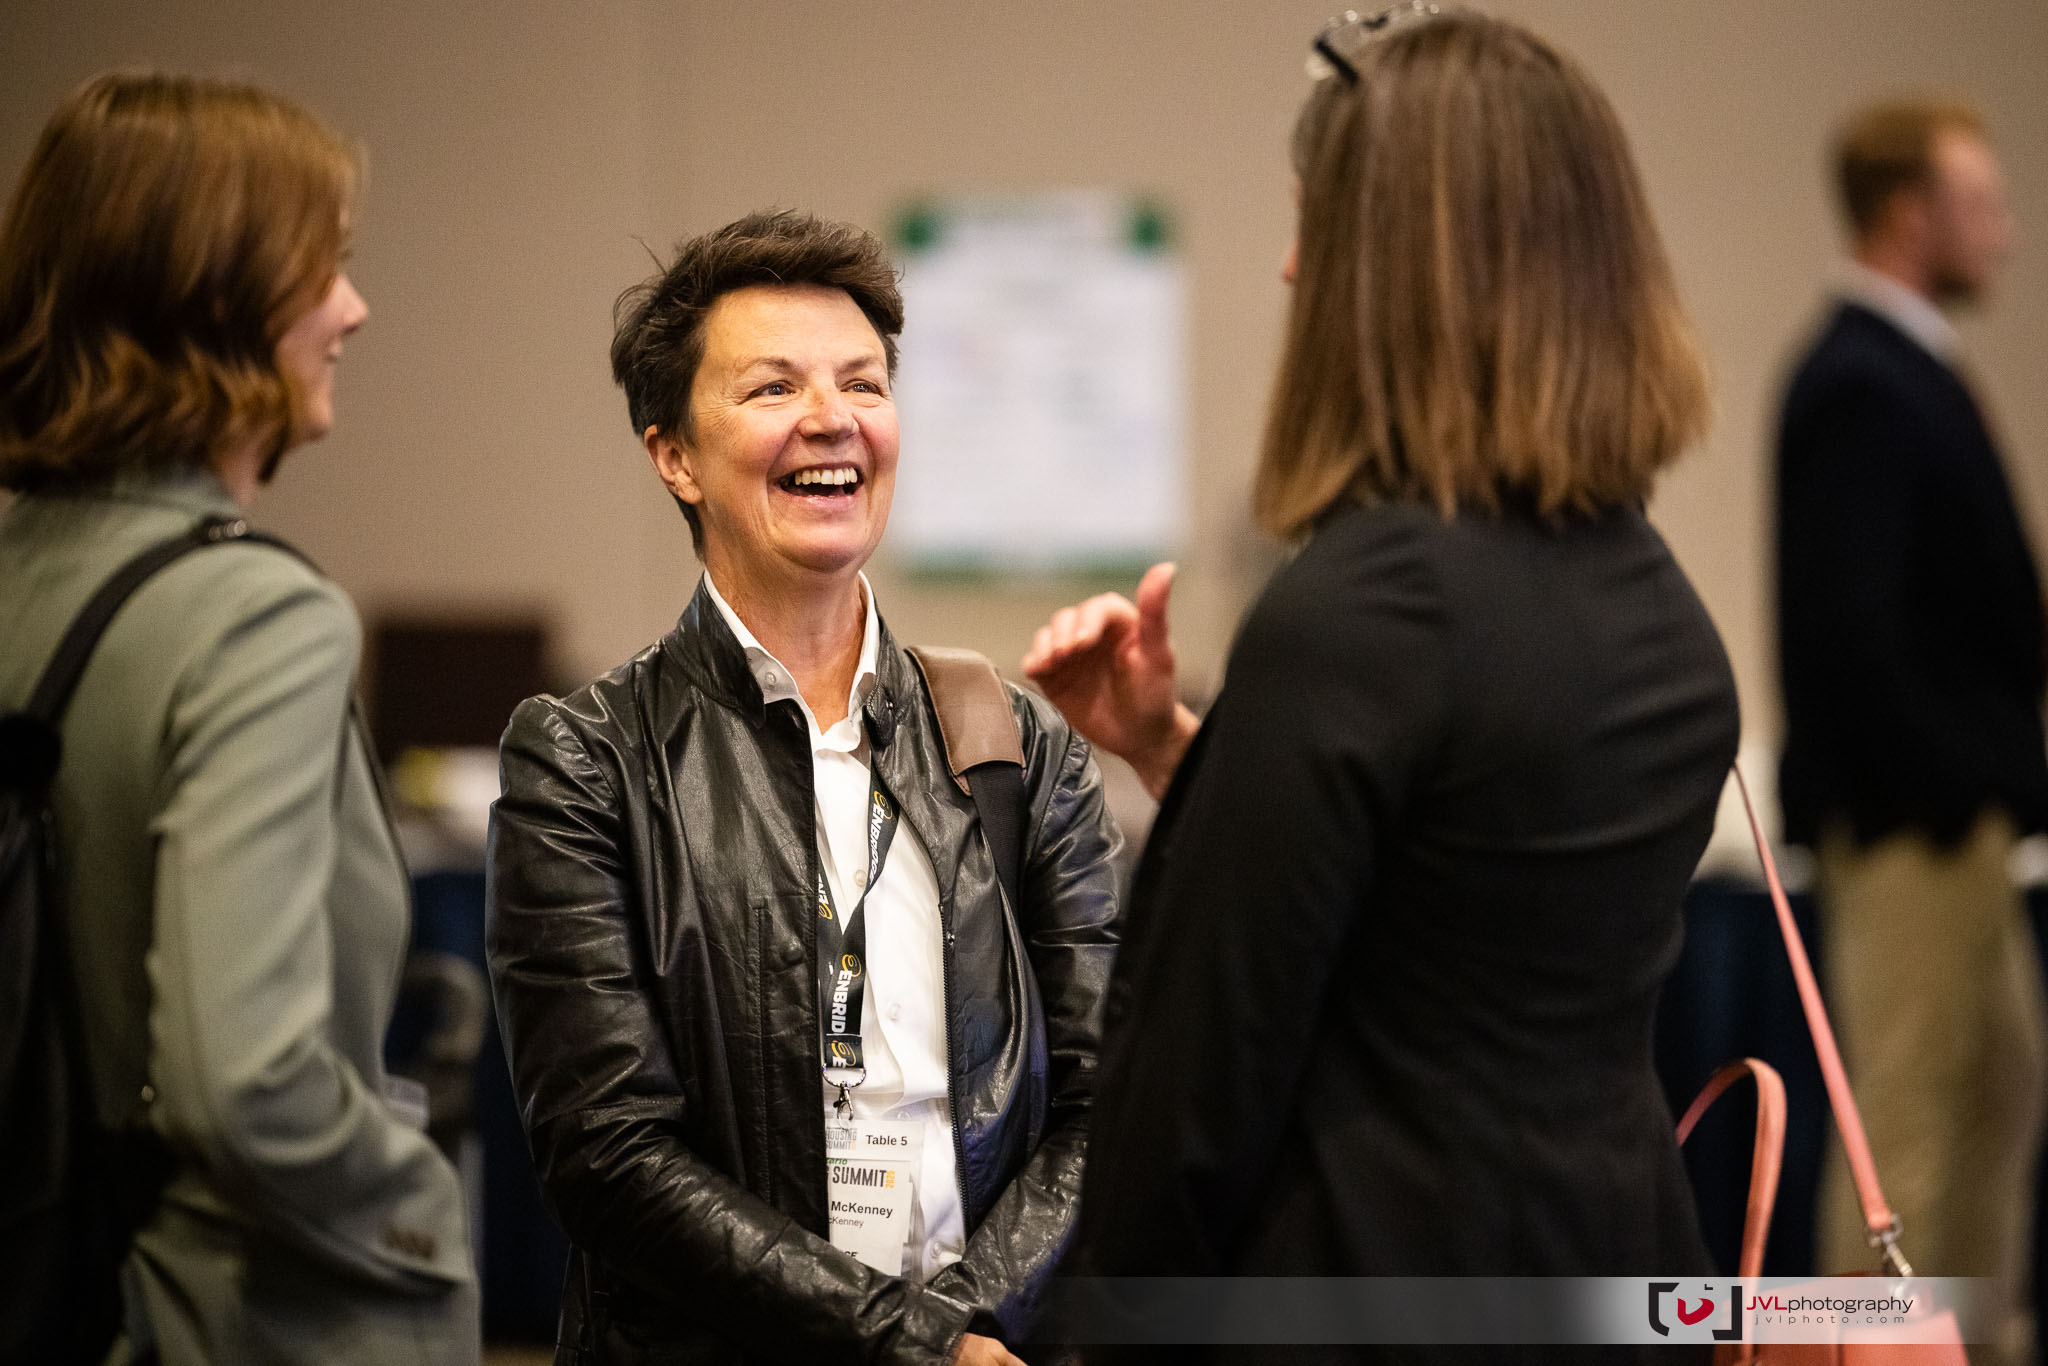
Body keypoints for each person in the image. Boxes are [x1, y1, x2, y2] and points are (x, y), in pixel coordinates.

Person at [1024, 4, 1738, 1338]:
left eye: (1319, 224)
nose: (1291, 265)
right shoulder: (1656, 607)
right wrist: (1193, 756)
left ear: (1400, 269)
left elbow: (1192, 1099)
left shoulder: (1363, 613)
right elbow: (1442, 913)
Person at [486, 209, 1122, 1365]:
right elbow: (607, 1156)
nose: (831, 417)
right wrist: (913, 1345)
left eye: (862, 383)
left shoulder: (1015, 747)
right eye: (773, 387)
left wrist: (976, 1322)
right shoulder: (586, 762)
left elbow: (1105, 1100)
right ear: (674, 455)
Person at [0, 74, 477, 1363]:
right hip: (229, 1316)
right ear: (212, 292)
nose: (352, 309)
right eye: (324, 266)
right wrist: (417, 1214)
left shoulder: (22, 574)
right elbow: (243, 1077)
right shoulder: (255, 618)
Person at [1775, 98, 2045, 1361]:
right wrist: (1971, 778)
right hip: (1910, 828)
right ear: (1904, 213)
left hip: (1958, 820)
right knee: (1903, 1133)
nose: (2001, 230)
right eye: (1976, 202)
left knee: (1996, 1091)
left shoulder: (1908, 368)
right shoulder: (1857, 381)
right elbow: (1853, 640)